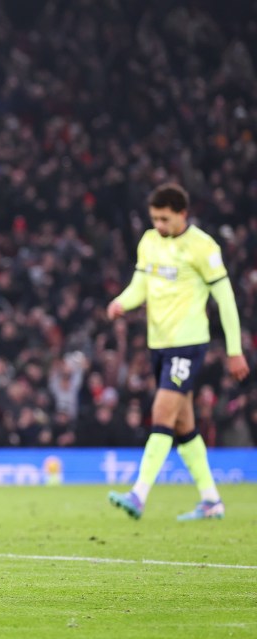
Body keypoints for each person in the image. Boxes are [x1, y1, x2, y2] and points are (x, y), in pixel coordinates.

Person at [107, 183, 249, 521]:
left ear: (182, 214)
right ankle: (211, 501)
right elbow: (140, 286)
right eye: (154, 218)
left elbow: (225, 299)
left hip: (187, 344)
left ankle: (138, 495)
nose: (158, 225)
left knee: (162, 412)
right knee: (184, 427)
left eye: (165, 219)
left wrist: (234, 350)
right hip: (159, 345)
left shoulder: (202, 247)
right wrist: (120, 303)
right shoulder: (149, 241)